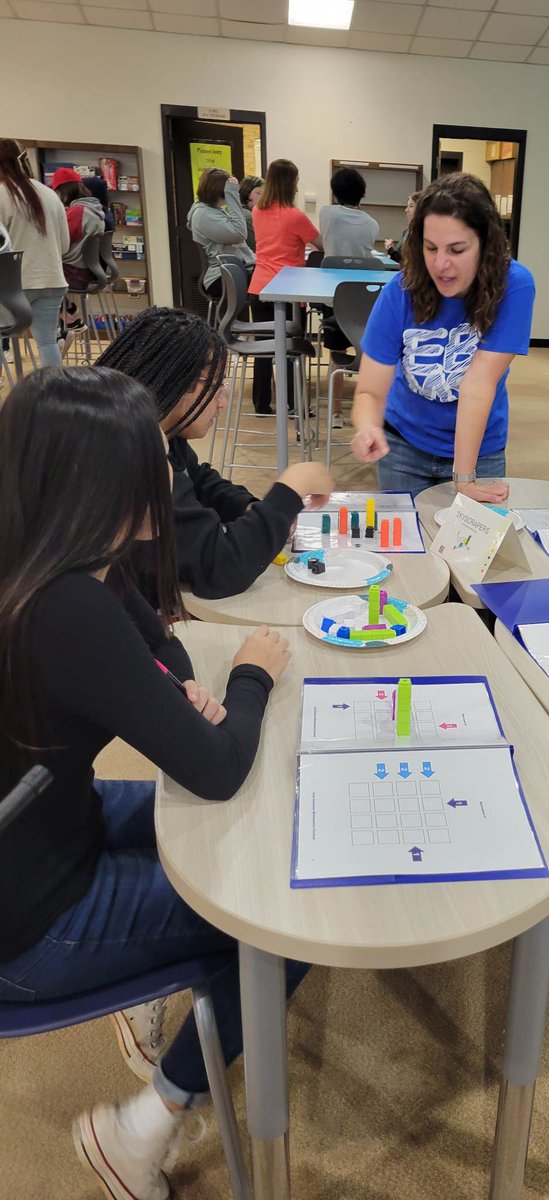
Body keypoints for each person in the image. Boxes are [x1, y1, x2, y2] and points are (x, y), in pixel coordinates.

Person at [0, 365, 311, 1200]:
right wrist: (250, 678)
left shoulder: (51, 554)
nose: (168, 477)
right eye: (152, 461)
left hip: (55, 827)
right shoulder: (63, 606)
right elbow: (214, 767)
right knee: (286, 922)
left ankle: (157, 1004)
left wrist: (179, 683)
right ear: (104, 481)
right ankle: (145, 1128)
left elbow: (168, 658)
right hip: (28, 921)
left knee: (250, 833)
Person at [97, 306, 333, 599]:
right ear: (180, 385)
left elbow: (199, 480)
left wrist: (246, 506)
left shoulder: (157, 431)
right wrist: (291, 488)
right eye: (216, 387)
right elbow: (221, 568)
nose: (221, 402)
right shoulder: (137, 457)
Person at [350, 172, 535, 500]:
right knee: (407, 547)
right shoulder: (400, 291)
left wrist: (465, 479)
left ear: (485, 245)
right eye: (430, 247)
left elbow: (478, 386)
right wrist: (367, 426)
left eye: (457, 249)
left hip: (479, 450)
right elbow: (370, 391)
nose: (440, 264)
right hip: (404, 445)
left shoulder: (514, 285)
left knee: (471, 548)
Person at [248, 159, 323, 415]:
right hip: (289, 290)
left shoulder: (257, 211)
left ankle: (261, 403)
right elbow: (321, 244)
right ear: (291, 183)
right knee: (290, 350)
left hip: (259, 287)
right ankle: (294, 404)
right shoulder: (295, 216)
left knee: (263, 348)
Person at [0, 138, 68, 366]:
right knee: (47, 342)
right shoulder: (50, 194)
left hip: (15, 285)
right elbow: (64, 245)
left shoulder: (2, 194)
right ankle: (57, 393)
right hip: (53, 279)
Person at [187, 168, 254, 297]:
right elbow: (240, 234)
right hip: (222, 275)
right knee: (268, 286)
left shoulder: (213, 210)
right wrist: (232, 195)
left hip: (234, 270)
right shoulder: (203, 215)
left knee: (271, 278)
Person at [52, 167, 106, 293]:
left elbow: (61, 242)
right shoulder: (94, 209)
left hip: (71, 273)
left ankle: (67, 310)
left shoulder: (78, 211)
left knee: (31, 275)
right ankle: (68, 309)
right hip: (85, 271)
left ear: (63, 191)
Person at [319, 167, 379, 259]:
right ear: (362, 192)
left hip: (331, 271)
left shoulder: (326, 213)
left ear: (335, 193)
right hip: (361, 272)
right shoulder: (373, 224)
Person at [384, 191, 421, 264]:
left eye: (411, 206)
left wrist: (390, 250)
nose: (406, 210)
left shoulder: (419, 234)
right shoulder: (407, 231)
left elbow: (404, 261)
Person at [238, 173, 263, 252]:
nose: (263, 197)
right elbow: (256, 248)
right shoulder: (247, 217)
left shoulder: (233, 210)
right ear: (246, 191)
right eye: (258, 193)